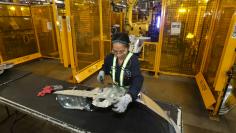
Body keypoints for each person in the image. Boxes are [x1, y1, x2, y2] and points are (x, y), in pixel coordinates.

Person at [97, 32, 144, 113]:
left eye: (122, 51)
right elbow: (106, 66)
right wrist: (102, 71)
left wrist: (129, 97)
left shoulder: (133, 60)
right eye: (115, 51)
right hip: (116, 90)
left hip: (130, 91)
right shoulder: (110, 57)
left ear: (128, 48)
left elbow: (138, 79)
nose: (118, 55)